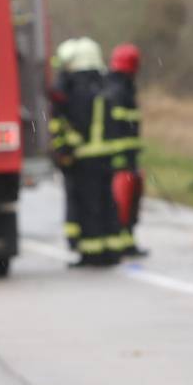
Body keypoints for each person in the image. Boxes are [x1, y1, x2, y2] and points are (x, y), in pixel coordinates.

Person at [52, 37, 124, 267]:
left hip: (85, 157)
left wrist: (66, 149)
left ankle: (91, 253)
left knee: (90, 206)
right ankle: (112, 250)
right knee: (107, 203)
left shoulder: (79, 89)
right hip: (107, 156)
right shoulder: (106, 84)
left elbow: (75, 125)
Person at [105, 43, 147, 256]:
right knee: (122, 202)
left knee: (128, 202)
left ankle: (127, 241)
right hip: (121, 160)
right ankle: (121, 241)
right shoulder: (120, 91)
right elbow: (119, 129)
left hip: (126, 159)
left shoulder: (118, 87)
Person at [49, 37, 83, 254]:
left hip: (68, 152)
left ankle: (74, 238)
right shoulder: (68, 87)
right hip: (70, 153)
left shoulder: (63, 86)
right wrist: (66, 150)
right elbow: (64, 123)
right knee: (75, 196)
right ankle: (74, 239)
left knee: (73, 196)